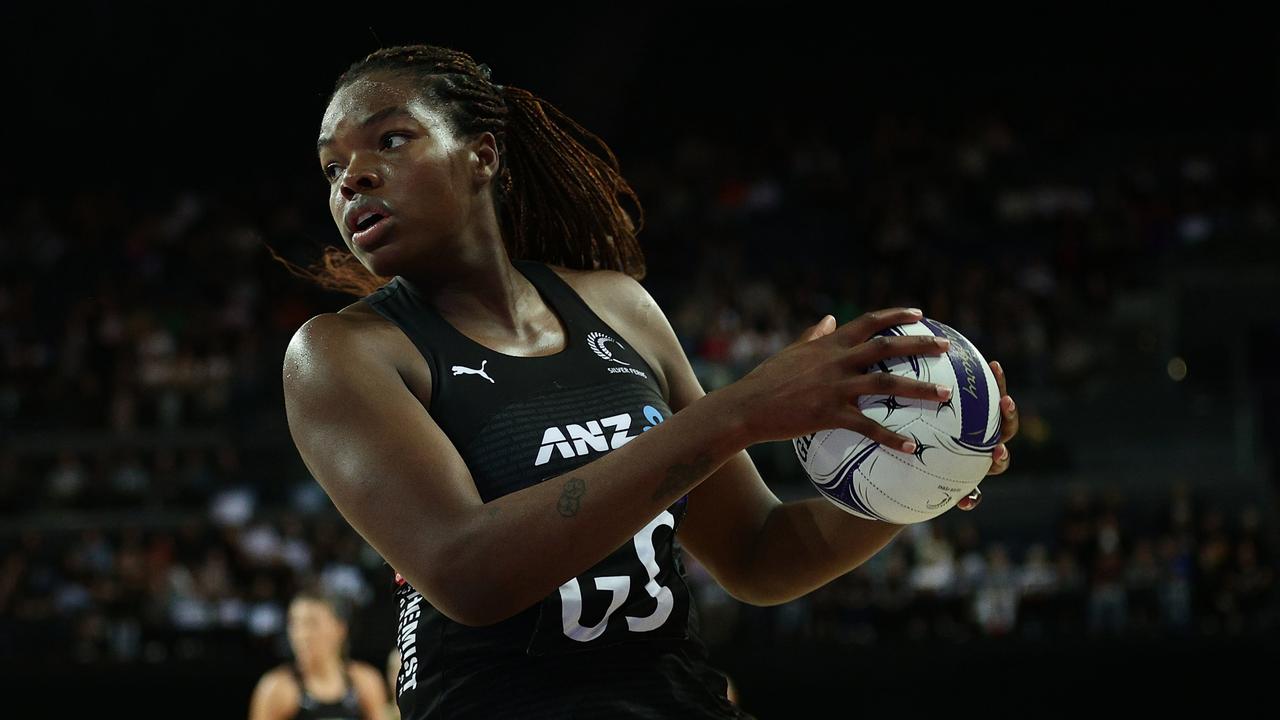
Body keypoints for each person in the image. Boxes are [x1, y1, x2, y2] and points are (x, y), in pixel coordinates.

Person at [280, 44, 1019, 719]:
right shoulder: (344, 353)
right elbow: (468, 572)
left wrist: (920, 475)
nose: (355, 177)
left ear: (482, 156)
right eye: (331, 168)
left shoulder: (617, 307)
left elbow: (759, 552)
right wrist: (739, 411)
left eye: (390, 139)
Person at [248, 590, 388, 720]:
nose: (301, 634)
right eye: (295, 624)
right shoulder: (276, 689)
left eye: (311, 623)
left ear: (339, 629)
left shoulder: (365, 681)